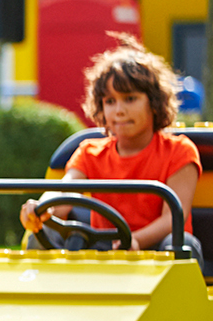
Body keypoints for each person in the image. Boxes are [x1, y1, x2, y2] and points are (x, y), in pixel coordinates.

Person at [19, 36, 202, 263]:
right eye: (110, 101)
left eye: (130, 99)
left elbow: (174, 218)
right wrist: (41, 207)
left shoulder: (179, 151)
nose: (119, 110)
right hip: (105, 250)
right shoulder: (89, 153)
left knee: (183, 243)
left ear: (154, 103)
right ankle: (40, 294)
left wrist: (134, 240)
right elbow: (63, 191)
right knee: (43, 233)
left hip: (157, 250)